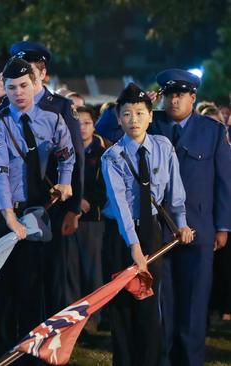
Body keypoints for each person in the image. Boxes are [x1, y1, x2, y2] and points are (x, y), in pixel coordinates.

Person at [95, 69, 231, 366]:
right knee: (160, 305)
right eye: (168, 95)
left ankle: (191, 360)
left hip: (195, 230)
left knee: (194, 305)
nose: (174, 100)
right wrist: (141, 96)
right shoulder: (147, 119)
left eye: (180, 95)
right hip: (157, 234)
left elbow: (224, 182)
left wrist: (223, 226)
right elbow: (105, 125)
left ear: (193, 98)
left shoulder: (212, 130)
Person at [0, 57, 74, 362]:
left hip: (36, 214)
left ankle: (31, 356)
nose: (19, 92)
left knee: (34, 292)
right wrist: (9, 218)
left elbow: (67, 155)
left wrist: (65, 182)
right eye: (12, 87)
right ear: (4, 89)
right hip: (3, 216)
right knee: (4, 295)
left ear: (35, 84)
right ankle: (4, 356)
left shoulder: (53, 120)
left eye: (24, 85)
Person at [101, 83, 194, 366]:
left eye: (140, 113)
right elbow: (119, 207)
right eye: (127, 114)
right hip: (120, 236)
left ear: (151, 116)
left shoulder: (163, 147)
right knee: (122, 306)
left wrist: (182, 225)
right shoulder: (112, 157)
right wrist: (134, 248)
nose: (134, 120)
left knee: (149, 304)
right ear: (119, 119)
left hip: (152, 230)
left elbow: (175, 193)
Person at [74, 105, 107, 332]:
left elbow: (105, 187)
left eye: (86, 122)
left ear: (94, 125)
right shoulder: (67, 148)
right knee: (72, 270)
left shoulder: (103, 151)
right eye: (78, 123)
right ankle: (74, 317)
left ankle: (94, 316)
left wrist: (87, 203)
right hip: (70, 216)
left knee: (92, 269)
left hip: (93, 219)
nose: (82, 128)